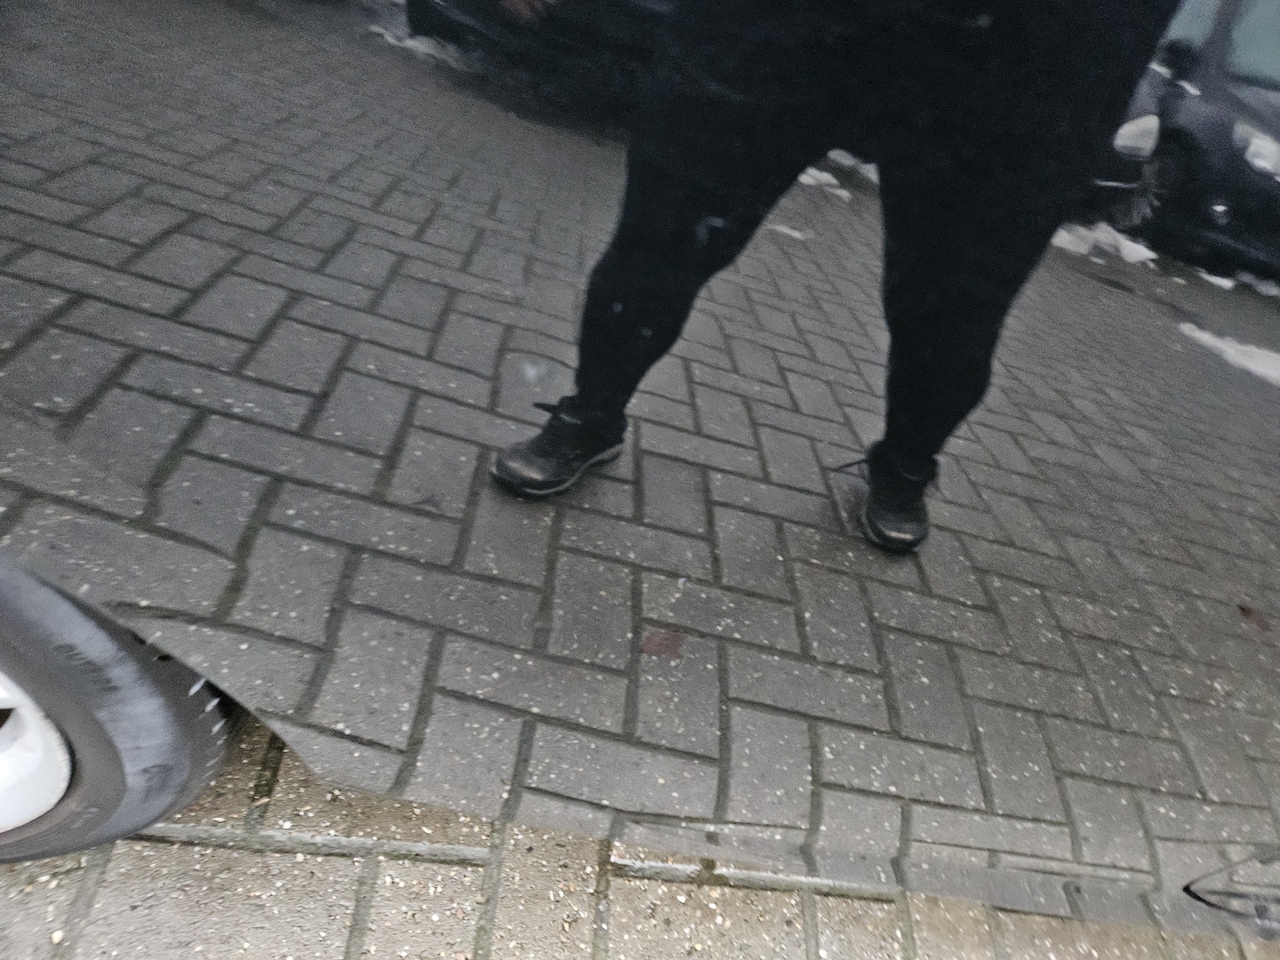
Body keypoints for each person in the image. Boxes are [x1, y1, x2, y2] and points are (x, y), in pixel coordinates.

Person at [490, 0, 1180, 553]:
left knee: (956, 303)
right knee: (669, 227)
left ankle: (906, 463)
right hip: (792, 22)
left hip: (1026, 54)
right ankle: (594, 409)